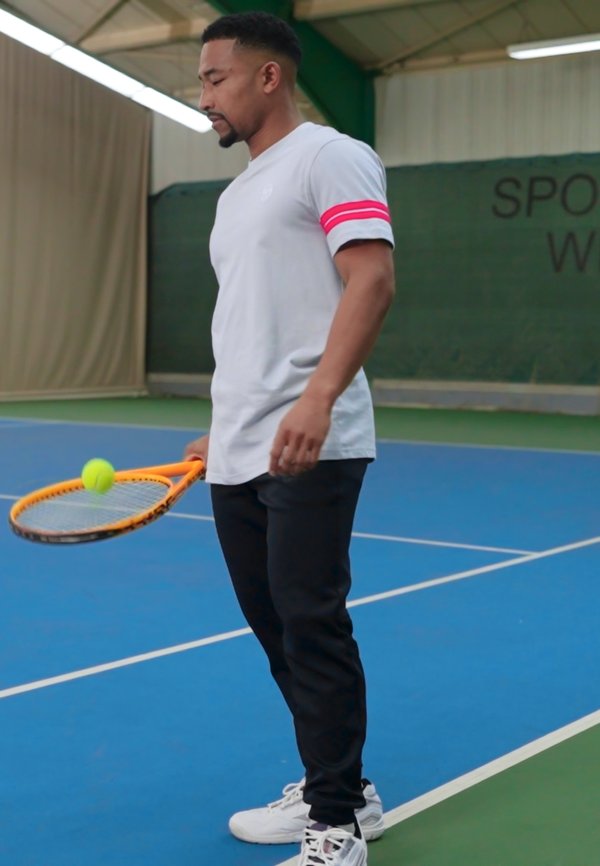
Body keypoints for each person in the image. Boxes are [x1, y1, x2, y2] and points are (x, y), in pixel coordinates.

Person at [184, 11, 395, 866]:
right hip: (239, 447)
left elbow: (371, 278)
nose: (204, 97)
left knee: (311, 625)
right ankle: (341, 787)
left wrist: (318, 398)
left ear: (268, 77)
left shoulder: (330, 157)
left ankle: (336, 828)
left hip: (313, 439)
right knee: (275, 629)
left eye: (215, 79)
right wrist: (219, 428)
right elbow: (250, 321)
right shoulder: (237, 195)